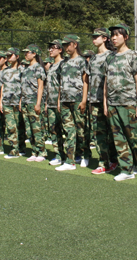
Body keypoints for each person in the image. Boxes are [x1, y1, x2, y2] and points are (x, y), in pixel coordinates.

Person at [104, 23, 137, 181]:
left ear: (126, 37)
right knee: (118, 137)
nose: (113, 38)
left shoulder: (133, 56)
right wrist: (105, 103)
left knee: (134, 138)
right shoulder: (109, 57)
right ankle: (126, 169)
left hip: (129, 103)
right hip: (113, 103)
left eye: (117, 35)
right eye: (112, 35)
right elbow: (106, 82)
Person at [56, 34, 90, 171]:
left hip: (77, 100)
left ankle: (85, 154)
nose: (65, 48)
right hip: (65, 100)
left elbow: (86, 81)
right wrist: (59, 100)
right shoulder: (63, 63)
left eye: (67, 45)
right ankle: (70, 160)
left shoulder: (82, 61)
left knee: (81, 130)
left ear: (75, 45)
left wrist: (84, 100)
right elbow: (61, 83)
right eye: (63, 45)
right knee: (68, 130)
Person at [89, 28, 118, 175]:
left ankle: (115, 160)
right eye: (93, 37)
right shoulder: (93, 58)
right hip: (95, 100)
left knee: (112, 132)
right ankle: (103, 162)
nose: (94, 39)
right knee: (98, 132)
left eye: (97, 37)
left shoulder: (111, 56)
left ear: (105, 38)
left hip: (109, 100)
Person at [20, 44, 47, 162]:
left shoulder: (38, 68)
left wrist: (38, 103)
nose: (25, 54)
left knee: (37, 128)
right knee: (29, 129)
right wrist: (21, 101)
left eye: (28, 52)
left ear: (34, 54)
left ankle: (41, 152)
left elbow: (41, 87)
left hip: (34, 102)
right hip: (25, 102)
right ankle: (34, 151)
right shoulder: (26, 69)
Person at [0, 48, 23, 159]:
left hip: (17, 102)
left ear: (17, 56)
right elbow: (2, 86)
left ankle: (21, 147)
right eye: (7, 56)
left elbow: (24, 86)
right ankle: (14, 149)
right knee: (10, 126)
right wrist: (1, 101)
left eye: (10, 55)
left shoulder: (22, 70)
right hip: (7, 102)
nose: (8, 58)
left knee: (20, 126)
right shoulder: (5, 71)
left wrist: (21, 100)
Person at [45, 39, 66, 166]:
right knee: (53, 130)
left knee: (66, 130)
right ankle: (58, 155)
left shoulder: (63, 64)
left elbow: (62, 85)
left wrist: (59, 100)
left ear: (60, 50)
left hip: (61, 103)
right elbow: (49, 86)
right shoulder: (51, 66)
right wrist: (47, 103)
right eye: (50, 48)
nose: (50, 50)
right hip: (51, 103)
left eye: (53, 48)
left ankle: (73, 155)